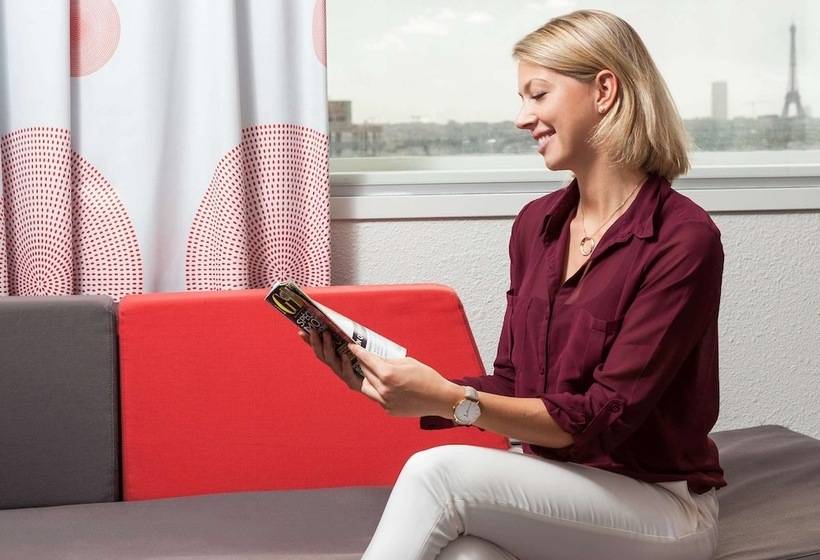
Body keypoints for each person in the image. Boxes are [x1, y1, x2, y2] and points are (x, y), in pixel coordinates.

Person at [299, 9, 725, 560]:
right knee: (465, 555)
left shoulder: (682, 239)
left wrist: (450, 400)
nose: (523, 118)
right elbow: (515, 382)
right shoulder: (536, 225)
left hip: (661, 506)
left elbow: (602, 417)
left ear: (604, 90)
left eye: (538, 94)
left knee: (438, 474)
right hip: (564, 485)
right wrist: (406, 387)